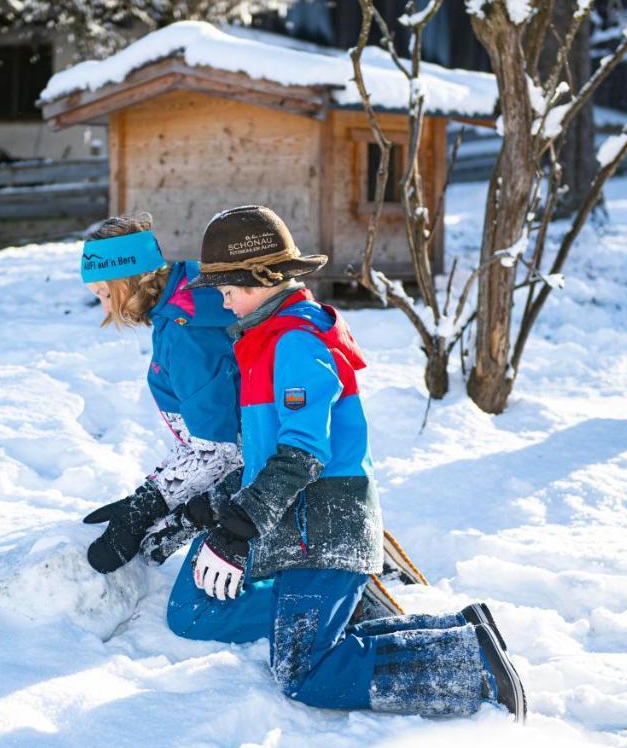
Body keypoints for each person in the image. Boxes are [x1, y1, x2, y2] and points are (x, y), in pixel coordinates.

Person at [169, 204, 526, 720]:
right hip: (301, 527)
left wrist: (238, 529)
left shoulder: (294, 341)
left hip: (326, 527)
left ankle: (473, 669)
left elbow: (304, 452)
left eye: (230, 288)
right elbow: (270, 452)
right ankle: (461, 636)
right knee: (290, 648)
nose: (224, 302)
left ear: (266, 277)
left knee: (305, 673)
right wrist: (218, 508)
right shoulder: (265, 340)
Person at [78, 214, 243, 574]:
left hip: (255, 494)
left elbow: (220, 450)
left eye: (106, 294)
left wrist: (147, 506)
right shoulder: (189, 298)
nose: (106, 309)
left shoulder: (186, 334)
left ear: (130, 280)